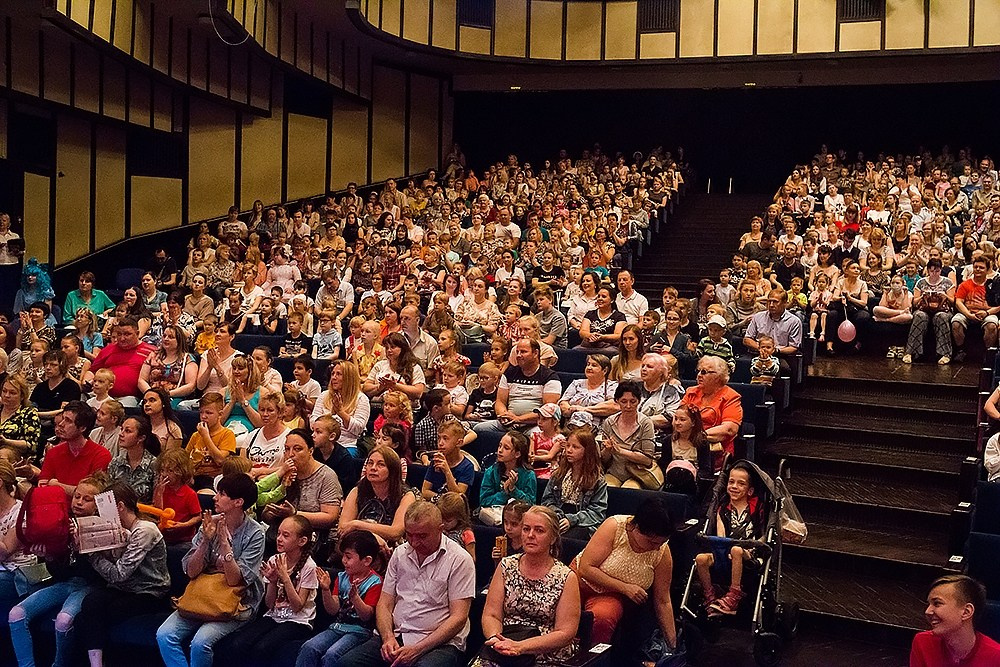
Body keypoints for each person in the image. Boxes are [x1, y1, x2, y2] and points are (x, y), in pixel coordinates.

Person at [333, 501, 475, 667]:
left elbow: (458, 618)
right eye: (409, 535)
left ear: (440, 529)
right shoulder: (400, 553)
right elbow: (384, 604)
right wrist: (387, 637)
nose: (414, 542)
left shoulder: (460, 560)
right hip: (397, 634)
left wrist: (417, 649)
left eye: (422, 536)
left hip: (440, 644)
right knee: (346, 663)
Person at [156, 473, 266, 667]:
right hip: (202, 596)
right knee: (164, 635)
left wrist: (224, 543)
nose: (215, 497)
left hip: (237, 602)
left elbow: (235, 580)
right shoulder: (208, 524)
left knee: (200, 642)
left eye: (222, 494)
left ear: (238, 502)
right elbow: (191, 571)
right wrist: (206, 540)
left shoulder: (255, 533)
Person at [76, 480, 171, 667]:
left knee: (94, 618)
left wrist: (92, 554)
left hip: (149, 591)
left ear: (119, 506)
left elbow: (119, 573)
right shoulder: (113, 529)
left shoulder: (144, 530)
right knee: (89, 605)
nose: (99, 513)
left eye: (103, 507)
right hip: (123, 588)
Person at [473, 505, 581, 667]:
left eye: (539, 530)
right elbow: (491, 615)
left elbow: (565, 633)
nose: (530, 535)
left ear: (552, 538)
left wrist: (521, 647)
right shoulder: (506, 566)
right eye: (526, 529)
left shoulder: (566, 577)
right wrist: (496, 640)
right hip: (506, 643)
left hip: (546, 653)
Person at [573, 497, 676, 648]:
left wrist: (673, 645)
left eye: (661, 543)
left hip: (610, 595)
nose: (656, 547)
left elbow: (663, 600)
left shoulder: (661, 550)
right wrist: (625, 587)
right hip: (579, 580)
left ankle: (591, 660)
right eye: (651, 542)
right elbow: (586, 568)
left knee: (602, 617)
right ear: (636, 528)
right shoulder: (615, 526)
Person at [222, 515, 320, 667]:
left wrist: (286, 579)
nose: (279, 538)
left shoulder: (309, 567)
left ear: (302, 541)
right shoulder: (275, 559)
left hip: (298, 621)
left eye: (286, 535)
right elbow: (269, 604)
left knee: (263, 648)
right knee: (238, 643)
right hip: (275, 615)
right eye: (279, 533)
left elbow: (297, 607)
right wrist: (273, 582)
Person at [295, 530, 383, 667]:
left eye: (348, 557)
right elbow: (333, 610)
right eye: (343, 556)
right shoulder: (342, 577)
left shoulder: (375, 582)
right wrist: (325, 589)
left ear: (367, 560)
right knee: (309, 647)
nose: (344, 561)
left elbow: (366, 616)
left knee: (332, 654)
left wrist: (355, 598)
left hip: (359, 631)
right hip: (337, 627)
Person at [696, 463, 768, 617]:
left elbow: (763, 533)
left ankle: (735, 594)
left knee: (736, 550)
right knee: (700, 559)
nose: (734, 486)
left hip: (750, 553)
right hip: (726, 553)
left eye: (741, 484)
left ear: (750, 491)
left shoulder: (757, 508)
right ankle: (710, 596)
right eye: (731, 482)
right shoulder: (722, 509)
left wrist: (754, 546)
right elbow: (721, 537)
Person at [473, 338, 561, 444]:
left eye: (523, 352)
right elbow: (500, 401)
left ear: (535, 353)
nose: (518, 355)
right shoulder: (510, 373)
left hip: (534, 425)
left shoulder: (550, 376)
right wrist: (504, 415)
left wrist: (519, 419)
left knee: (537, 437)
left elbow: (548, 411)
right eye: (517, 352)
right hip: (508, 423)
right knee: (479, 429)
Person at [910, 574, 1000, 667]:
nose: (927, 611)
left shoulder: (997, 657)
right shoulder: (923, 642)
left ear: (966, 612)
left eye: (937, 603)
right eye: (929, 604)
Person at [339, 446, 417, 548]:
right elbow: (343, 528)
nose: (373, 468)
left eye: (381, 465)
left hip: (393, 548)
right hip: (359, 546)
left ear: (392, 470)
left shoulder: (406, 496)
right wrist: (374, 537)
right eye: (370, 463)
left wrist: (357, 525)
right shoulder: (357, 491)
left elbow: (395, 532)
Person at [540, 428, 608, 540]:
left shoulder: (597, 480)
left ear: (587, 451)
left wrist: (571, 520)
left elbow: (597, 512)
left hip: (582, 523)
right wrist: (556, 515)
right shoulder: (558, 474)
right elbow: (547, 500)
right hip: (558, 516)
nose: (569, 450)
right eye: (567, 446)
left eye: (575, 447)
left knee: (566, 538)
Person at [683, 356, 743, 468]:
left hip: (715, 452)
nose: (699, 375)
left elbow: (729, 429)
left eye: (704, 372)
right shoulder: (691, 392)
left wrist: (697, 436)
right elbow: (678, 418)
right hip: (685, 446)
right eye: (699, 371)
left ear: (718, 377)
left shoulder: (731, 397)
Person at [600, 381, 661, 490]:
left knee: (629, 491)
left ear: (639, 401)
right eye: (624, 401)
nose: (628, 406)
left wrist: (620, 451)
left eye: (633, 401)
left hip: (637, 474)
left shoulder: (645, 423)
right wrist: (607, 450)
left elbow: (647, 459)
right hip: (614, 472)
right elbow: (604, 460)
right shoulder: (609, 422)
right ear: (617, 401)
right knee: (606, 488)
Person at [87, 317, 155, 406]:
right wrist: (87, 381)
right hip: (100, 395)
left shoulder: (150, 351)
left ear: (137, 333)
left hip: (129, 397)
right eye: (119, 334)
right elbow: (92, 371)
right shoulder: (108, 349)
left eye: (127, 334)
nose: (122, 338)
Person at [478, 431, 537, 526]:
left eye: (506, 448)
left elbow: (530, 504)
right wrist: (505, 493)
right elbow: (484, 501)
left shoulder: (528, 475)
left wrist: (513, 490)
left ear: (517, 454)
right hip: (494, 515)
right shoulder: (491, 471)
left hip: (518, 518)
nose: (500, 450)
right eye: (500, 446)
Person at [314, 360, 371, 454]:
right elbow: (313, 421)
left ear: (349, 378)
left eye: (338, 374)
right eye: (332, 374)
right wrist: (330, 415)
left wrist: (341, 413)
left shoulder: (361, 399)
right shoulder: (324, 395)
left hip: (348, 445)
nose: (333, 377)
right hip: (322, 443)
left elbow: (359, 429)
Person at [951, 255, 999, 361]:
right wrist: (968, 314)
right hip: (967, 313)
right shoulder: (964, 284)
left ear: (987, 270)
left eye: (981, 267)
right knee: (956, 322)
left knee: (992, 325)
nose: (978, 269)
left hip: (988, 313)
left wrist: (987, 313)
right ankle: (961, 350)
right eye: (976, 267)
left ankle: (988, 354)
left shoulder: (993, 285)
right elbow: (958, 302)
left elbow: (999, 306)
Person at [743, 287, 802, 368]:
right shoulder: (758, 317)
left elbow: (793, 347)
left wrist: (776, 351)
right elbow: (747, 340)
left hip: (779, 355)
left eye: (775, 302)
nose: (771, 305)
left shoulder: (794, 321)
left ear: (784, 303)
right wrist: (762, 349)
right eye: (769, 301)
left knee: (783, 368)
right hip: (756, 353)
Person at [107, 415, 159, 503]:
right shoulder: (115, 462)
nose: (121, 434)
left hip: (145, 514)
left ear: (141, 438)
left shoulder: (154, 465)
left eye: (127, 431)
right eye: (121, 429)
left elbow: (157, 500)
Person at [558, 354, 618, 431]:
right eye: (588, 364)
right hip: (571, 424)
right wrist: (570, 410)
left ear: (605, 370)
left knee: (582, 415)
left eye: (594, 365)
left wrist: (584, 409)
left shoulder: (612, 386)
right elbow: (563, 403)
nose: (589, 367)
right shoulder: (576, 383)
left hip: (598, 428)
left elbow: (613, 405)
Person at [0, 375, 41, 457]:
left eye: (12, 393)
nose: (6, 395)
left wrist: (6, 441)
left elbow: (31, 445)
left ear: (22, 396)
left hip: (14, 452)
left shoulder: (29, 414)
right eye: (4, 391)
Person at [577, 286, 627, 351]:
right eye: (598, 296)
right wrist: (590, 335)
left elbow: (618, 335)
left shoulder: (619, 316)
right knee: (575, 350)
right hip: (589, 345)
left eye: (603, 297)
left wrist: (602, 337)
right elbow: (582, 332)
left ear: (612, 300)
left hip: (609, 347)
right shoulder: (590, 314)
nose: (600, 299)